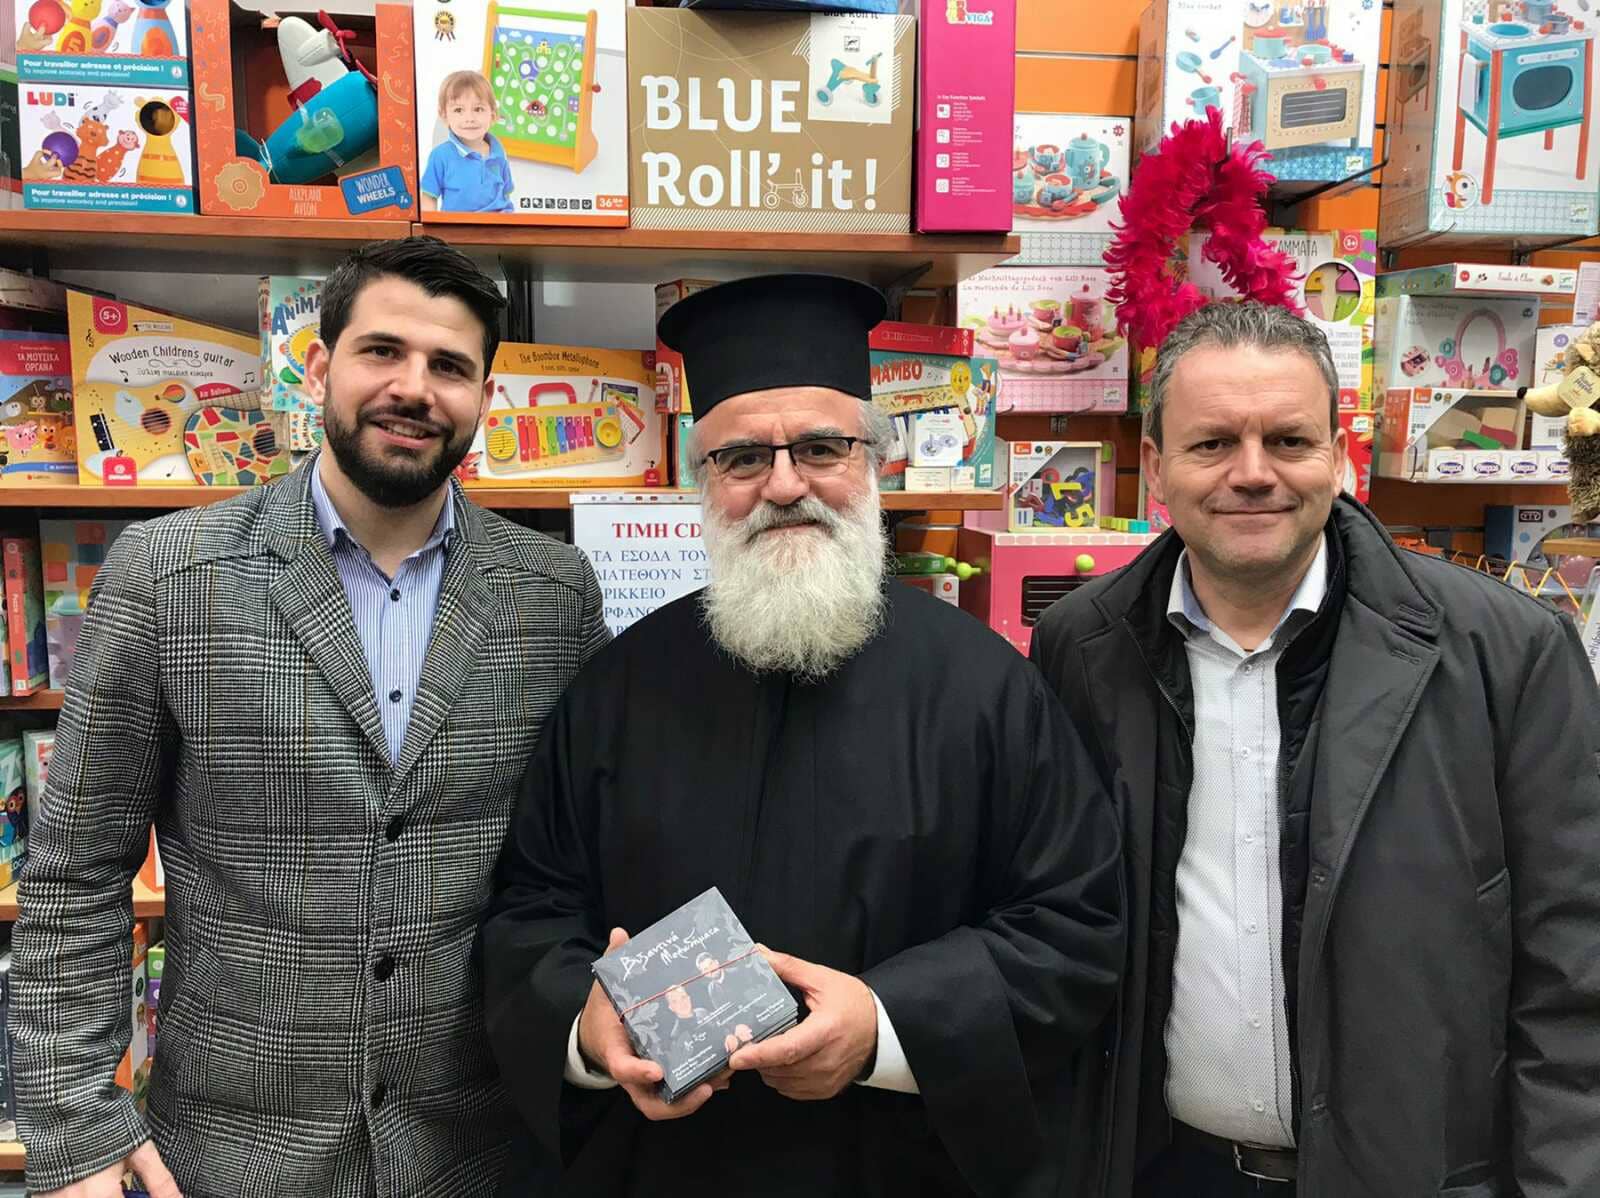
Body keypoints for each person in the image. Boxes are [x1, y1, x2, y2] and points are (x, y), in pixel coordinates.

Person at [482, 273, 1125, 1197]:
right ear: (703, 481)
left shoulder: (987, 689)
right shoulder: (618, 686)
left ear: (875, 464)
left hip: (905, 1167)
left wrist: (885, 1026)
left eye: (821, 448)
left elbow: (1072, 924)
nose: (784, 485)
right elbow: (532, 908)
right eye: (743, 458)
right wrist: (586, 1025)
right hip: (664, 1168)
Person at [11, 236, 609, 1197]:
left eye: (449, 366)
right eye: (383, 351)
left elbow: (580, 858)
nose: (413, 388)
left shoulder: (554, 594)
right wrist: (76, 1129)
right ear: (321, 367)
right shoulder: (168, 576)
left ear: (485, 398)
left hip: (483, 1150)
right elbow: (76, 871)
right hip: (232, 1153)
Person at [1030, 300, 1600, 1197]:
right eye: (1214, 443)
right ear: (1156, 466)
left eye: (1289, 441)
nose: (1253, 474)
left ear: (1339, 456)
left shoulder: (1505, 652)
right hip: (1165, 1171)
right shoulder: (1082, 646)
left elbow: (1576, 973)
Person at [421, 70, 515, 215]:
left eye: (478, 109)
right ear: (444, 115)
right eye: (458, 110)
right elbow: (429, 198)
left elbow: (506, 195)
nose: (469, 118)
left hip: (498, 224)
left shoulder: (498, 152)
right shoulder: (440, 156)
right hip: (458, 226)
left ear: (493, 115)